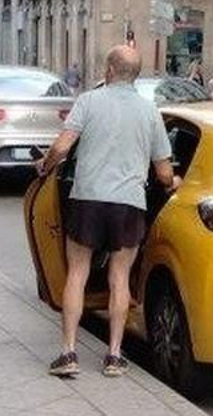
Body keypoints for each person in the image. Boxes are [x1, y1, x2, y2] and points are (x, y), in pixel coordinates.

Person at [36, 45, 179, 378]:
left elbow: (61, 147)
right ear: (136, 75)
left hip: (87, 199)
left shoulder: (88, 101)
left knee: (77, 273)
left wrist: (44, 166)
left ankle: (68, 352)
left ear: (109, 70)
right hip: (128, 203)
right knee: (119, 278)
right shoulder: (150, 112)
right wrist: (175, 179)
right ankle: (114, 356)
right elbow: (163, 173)